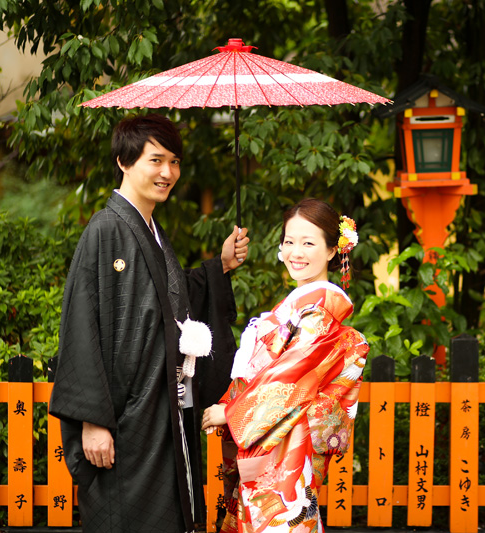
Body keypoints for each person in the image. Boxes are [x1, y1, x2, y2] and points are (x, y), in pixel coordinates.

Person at [49, 113, 249, 533]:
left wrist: (221, 266)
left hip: (162, 406)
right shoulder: (106, 230)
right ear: (124, 161)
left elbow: (168, 305)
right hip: (125, 416)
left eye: (174, 162)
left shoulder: (151, 230)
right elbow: (82, 326)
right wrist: (92, 419)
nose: (168, 173)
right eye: (156, 160)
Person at [202, 198, 368, 533]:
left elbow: (293, 375)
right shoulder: (296, 305)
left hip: (287, 440)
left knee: (281, 520)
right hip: (271, 436)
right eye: (289, 241)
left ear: (333, 250)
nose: (296, 252)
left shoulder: (322, 308)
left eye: (308, 243)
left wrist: (231, 412)